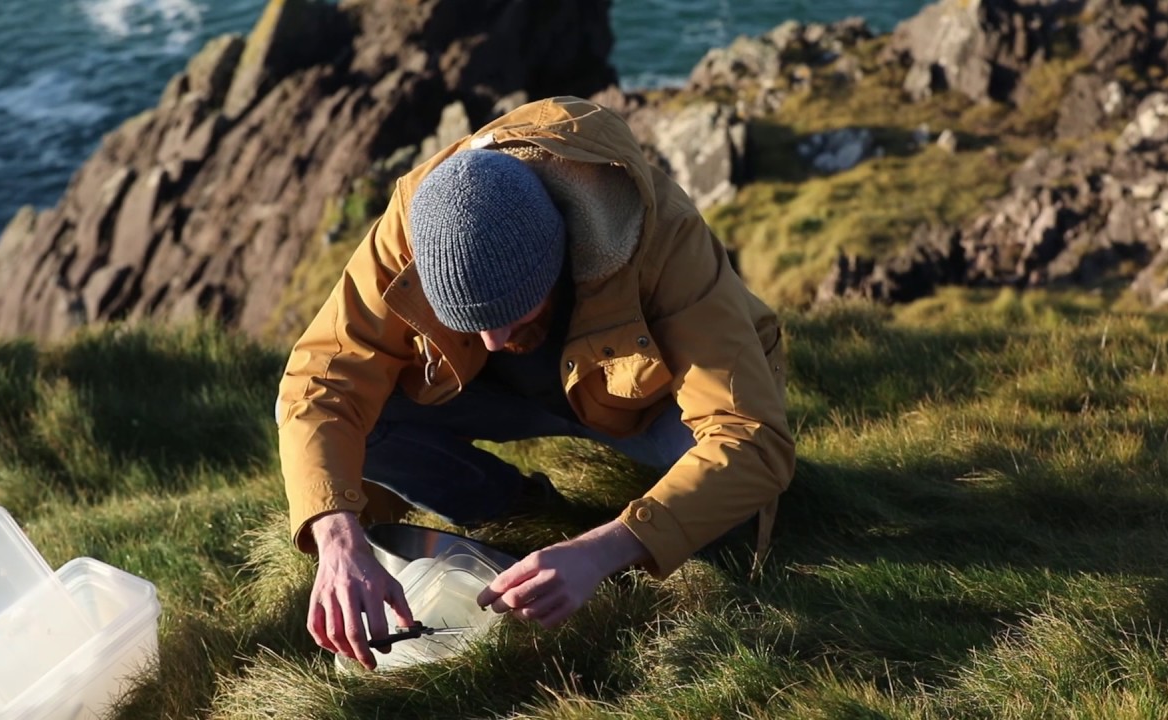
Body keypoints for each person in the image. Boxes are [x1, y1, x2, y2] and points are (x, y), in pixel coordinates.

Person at [276, 95, 795, 670]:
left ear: (562, 257)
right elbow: (319, 384)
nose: (495, 342)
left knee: (732, 519)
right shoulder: (415, 227)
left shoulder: (661, 237)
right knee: (359, 423)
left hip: (652, 399)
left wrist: (605, 550)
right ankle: (512, 517)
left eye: (515, 317)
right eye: (472, 325)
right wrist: (336, 535)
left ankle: (582, 540)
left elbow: (751, 439)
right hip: (497, 396)